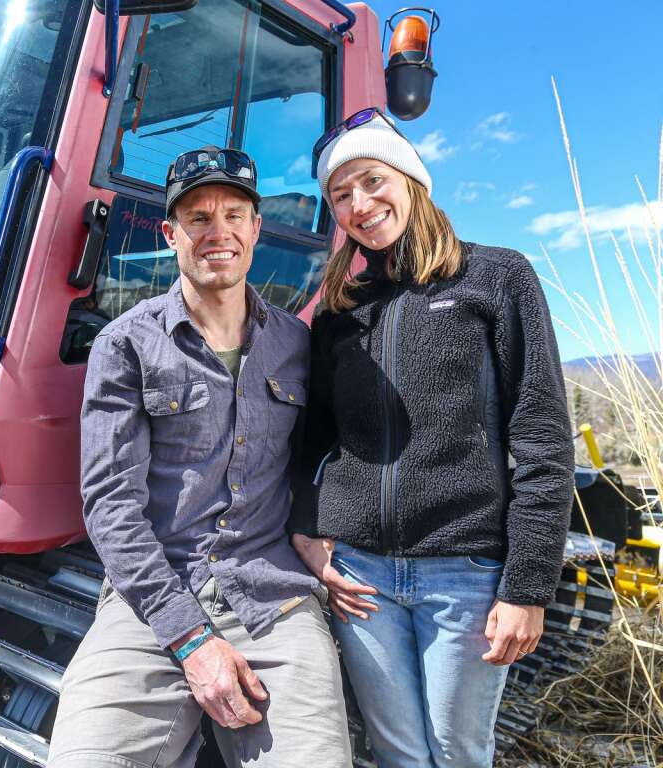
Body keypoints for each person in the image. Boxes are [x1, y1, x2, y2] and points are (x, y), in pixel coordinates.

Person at [48, 146, 352, 768]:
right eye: (199, 218)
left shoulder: (298, 343)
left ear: (256, 228)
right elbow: (110, 505)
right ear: (170, 234)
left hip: (274, 602)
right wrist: (190, 638)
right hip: (153, 601)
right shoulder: (125, 345)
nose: (219, 233)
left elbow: (325, 455)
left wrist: (321, 532)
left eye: (235, 215)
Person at [289, 108, 574, 767]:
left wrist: (526, 586)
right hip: (361, 576)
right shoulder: (339, 312)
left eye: (371, 181)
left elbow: (541, 438)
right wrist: (307, 530)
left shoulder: (497, 278)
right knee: (395, 752)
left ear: (411, 180)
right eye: (341, 195)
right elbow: (312, 442)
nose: (359, 204)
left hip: (466, 574)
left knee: (459, 750)